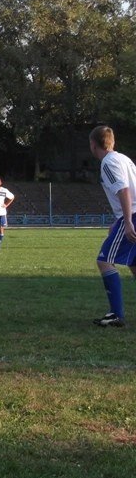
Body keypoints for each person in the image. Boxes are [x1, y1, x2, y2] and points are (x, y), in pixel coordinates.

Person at [90, 125, 136, 327]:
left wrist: (126, 221)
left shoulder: (108, 162)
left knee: (105, 260)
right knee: (134, 265)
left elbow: (124, 191)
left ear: (93, 145)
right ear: (112, 141)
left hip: (133, 216)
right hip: (131, 214)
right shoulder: (124, 159)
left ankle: (116, 315)